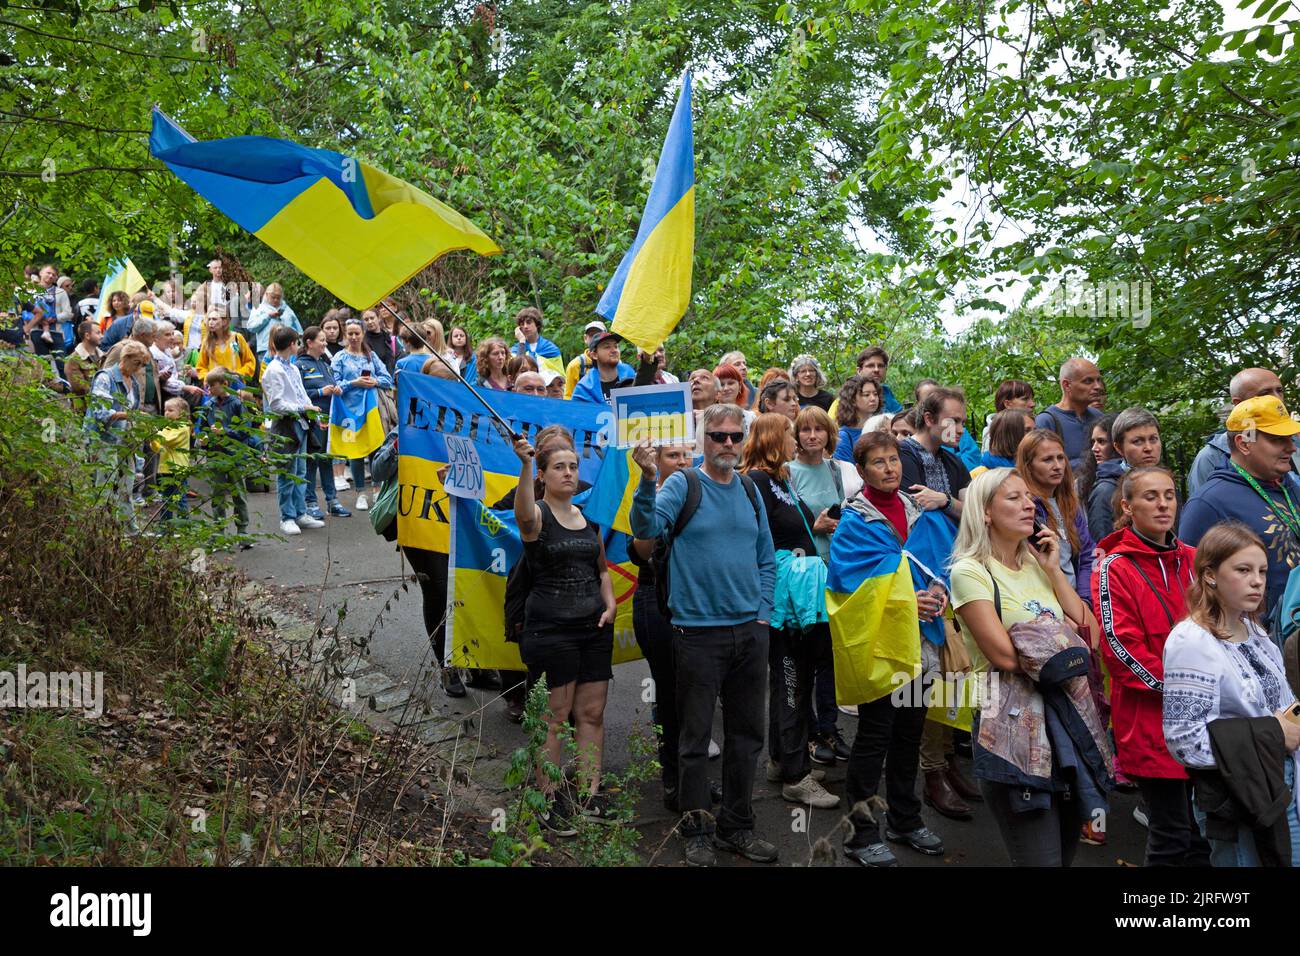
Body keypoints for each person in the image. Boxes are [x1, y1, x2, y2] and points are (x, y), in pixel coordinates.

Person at [630, 404, 779, 867]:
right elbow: (646, 530)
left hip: (749, 635)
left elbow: (767, 559)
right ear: (703, 440)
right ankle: (696, 828)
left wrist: (761, 615)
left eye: (736, 436)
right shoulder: (683, 484)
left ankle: (737, 826)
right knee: (694, 740)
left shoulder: (752, 490)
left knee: (746, 736)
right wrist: (647, 479)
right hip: (696, 634)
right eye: (718, 436)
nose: (728, 444)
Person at [950, 469, 1107, 866]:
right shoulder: (970, 571)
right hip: (1010, 729)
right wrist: (1060, 642)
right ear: (985, 513)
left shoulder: (1038, 565)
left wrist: (1054, 570)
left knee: (1065, 854)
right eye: (1013, 498)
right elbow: (1004, 656)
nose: (1027, 505)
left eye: (1028, 499)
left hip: (1066, 723)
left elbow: (1088, 629)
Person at [834, 430, 949, 866]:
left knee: (909, 732)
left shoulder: (918, 510)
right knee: (875, 734)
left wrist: (938, 588)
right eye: (879, 463)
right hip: (884, 647)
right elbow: (848, 587)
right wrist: (906, 601)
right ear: (861, 471)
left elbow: (942, 560)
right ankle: (860, 833)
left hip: (922, 644)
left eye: (894, 460)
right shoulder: (854, 523)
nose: (890, 469)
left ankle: (904, 818)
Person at [1163, 522, 1300, 866]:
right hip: (1238, 795)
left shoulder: (1254, 630)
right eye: (1243, 570)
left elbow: (1279, 708)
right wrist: (1272, 734)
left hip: (1279, 784)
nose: (1257, 580)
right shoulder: (1192, 640)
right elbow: (1184, 741)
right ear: (1210, 575)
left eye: (1262, 571)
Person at [1092, 466, 1208, 866]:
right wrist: (1188, 688)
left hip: (1204, 721)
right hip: (1150, 723)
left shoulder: (1194, 560)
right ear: (1127, 506)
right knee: (1172, 834)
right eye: (1150, 496)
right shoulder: (1115, 567)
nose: (1163, 504)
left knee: (1204, 835)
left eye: (1170, 495)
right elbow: (1122, 652)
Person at [511, 430, 616, 832]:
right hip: (550, 632)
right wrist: (523, 464)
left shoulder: (587, 521)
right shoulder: (537, 515)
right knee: (554, 719)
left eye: (573, 466)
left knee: (591, 714)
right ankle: (547, 801)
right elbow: (522, 515)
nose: (569, 473)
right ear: (542, 475)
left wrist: (610, 602)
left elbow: (602, 569)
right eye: (559, 467)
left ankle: (588, 795)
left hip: (593, 630)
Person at [740, 413, 840, 809]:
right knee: (791, 681)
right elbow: (757, 540)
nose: (796, 440)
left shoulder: (780, 478)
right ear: (770, 439)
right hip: (782, 601)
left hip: (798, 597)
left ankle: (783, 759)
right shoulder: (756, 482)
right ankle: (796, 777)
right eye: (788, 434)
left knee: (795, 681)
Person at [1180, 395, 1300, 622]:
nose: (1291, 447)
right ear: (1244, 443)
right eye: (1277, 439)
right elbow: (1191, 589)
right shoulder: (1207, 504)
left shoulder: (1289, 487)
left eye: (1290, 437)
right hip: (1257, 644)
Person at [629, 442, 697, 810]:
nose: (683, 461)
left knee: (696, 695)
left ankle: (695, 777)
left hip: (697, 604)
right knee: (670, 694)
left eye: (688, 454)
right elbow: (640, 551)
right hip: (656, 600)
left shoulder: (705, 491)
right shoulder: (647, 498)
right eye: (674, 456)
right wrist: (652, 491)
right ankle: (673, 778)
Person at [1017, 429, 1096, 610]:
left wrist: (1084, 601)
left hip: (1077, 600)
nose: (1057, 466)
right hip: (1046, 605)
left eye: (1060, 458)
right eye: (1047, 459)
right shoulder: (1026, 508)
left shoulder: (1068, 503)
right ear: (1028, 466)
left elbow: (1087, 553)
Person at [1188, 367, 1297, 495]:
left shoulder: (1294, 443)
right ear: (1238, 403)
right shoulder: (1211, 457)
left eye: (1279, 391)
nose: (1277, 399)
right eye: (1264, 394)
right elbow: (1204, 507)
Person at [262, 325, 324, 536]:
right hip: (285, 426)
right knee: (286, 472)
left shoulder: (293, 368)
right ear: (291, 344)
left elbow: (301, 394)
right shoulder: (273, 370)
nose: (298, 346)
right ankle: (286, 517)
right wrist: (302, 408)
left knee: (299, 470)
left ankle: (300, 513)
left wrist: (311, 410)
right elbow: (277, 404)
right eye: (297, 342)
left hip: (301, 423)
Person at [331, 318, 394, 511]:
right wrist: (354, 383)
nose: (353, 337)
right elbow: (335, 383)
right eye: (349, 333)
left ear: (363, 334)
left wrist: (373, 382)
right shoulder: (340, 357)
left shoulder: (371, 356)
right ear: (345, 334)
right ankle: (360, 492)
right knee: (355, 452)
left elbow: (387, 379)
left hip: (371, 410)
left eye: (357, 333)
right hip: (348, 412)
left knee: (375, 448)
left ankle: (376, 489)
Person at [86, 340, 149, 525]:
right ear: (125, 358)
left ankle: (129, 530)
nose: (139, 368)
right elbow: (100, 412)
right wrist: (130, 415)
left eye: (142, 365)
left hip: (125, 441)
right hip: (104, 439)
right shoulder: (105, 378)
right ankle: (100, 529)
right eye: (137, 363)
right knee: (104, 486)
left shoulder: (134, 382)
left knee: (126, 486)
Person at [196, 369, 259, 547]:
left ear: (225, 384)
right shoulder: (208, 405)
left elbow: (245, 431)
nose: (208, 389)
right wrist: (202, 440)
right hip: (214, 455)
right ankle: (218, 534)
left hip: (234, 456)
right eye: (207, 386)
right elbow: (202, 430)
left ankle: (242, 531)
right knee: (217, 496)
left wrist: (226, 432)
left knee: (238, 493)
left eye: (212, 386)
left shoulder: (238, 404)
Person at [1087, 407, 1166, 542]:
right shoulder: (1106, 491)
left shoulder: (1166, 483)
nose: (1148, 448)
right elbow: (1103, 546)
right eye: (1138, 441)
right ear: (1118, 447)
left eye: (1153, 439)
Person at [295, 326, 350, 520]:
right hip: (311, 422)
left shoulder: (326, 364)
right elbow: (296, 396)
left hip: (329, 420)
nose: (325, 344)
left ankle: (332, 502)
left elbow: (333, 385)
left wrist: (336, 390)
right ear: (309, 343)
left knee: (327, 459)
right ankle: (310, 504)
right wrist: (320, 393)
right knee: (311, 461)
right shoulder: (299, 365)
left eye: (325, 340)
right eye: (322, 340)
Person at [898, 387, 970, 523]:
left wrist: (945, 500)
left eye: (963, 423)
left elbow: (975, 513)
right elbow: (915, 511)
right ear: (929, 419)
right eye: (953, 421)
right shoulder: (900, 455)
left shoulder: (954, 462)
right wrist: (955, 506)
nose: (961, 430)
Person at [1036, 357, 1105, 469]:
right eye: (1088, 381)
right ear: (1067, 385)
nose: (1098, 386)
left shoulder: (1099, 417)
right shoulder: (1046, 421)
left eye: (1099, 380)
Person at [152, 397, 192, 526]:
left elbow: (168, 441)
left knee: (179, 498)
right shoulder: (167, 428)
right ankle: (165, 526)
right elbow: (158, 448)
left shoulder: (183, 427)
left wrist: (155, 434)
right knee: (165, 499)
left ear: (182, 413)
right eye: (165, 410)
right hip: (164, 469)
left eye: (171, 410)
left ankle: (182, 526)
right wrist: (153, 439)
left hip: (178, 468)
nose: (167, 413)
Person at [571, 331, 639, 404]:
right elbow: (577, 413)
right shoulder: (584, 389)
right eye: (607, 347)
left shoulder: (630, 374)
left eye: (616, 346)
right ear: (594, 355)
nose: (614, 350)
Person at [195, 310, 255, 388]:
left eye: (214, 319)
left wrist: (239, 374)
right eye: (209, 319)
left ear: (224, 321)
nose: (210, 322)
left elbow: (250, 361)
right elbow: (201, 366)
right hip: (215, 387)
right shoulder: (207, 342)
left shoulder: (236, 338)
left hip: (235, 385)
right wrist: (207, 377)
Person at [832, 374, 883, 463]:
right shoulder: (843, 437)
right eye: (866, 395)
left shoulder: (882, 428)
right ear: (852, 399)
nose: (873, 398)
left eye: (875, 394)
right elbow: (844, 473)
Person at [1076, 413, 1118, 519]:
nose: (1094, 448)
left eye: (1101, 441)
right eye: (1093, 442)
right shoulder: (1083, 482)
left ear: (1117, 444)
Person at [245, 283, 302, 361]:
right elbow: (251, 327)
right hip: (266, 349)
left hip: (287, 349)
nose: (275, 300)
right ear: (267, 295)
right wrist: (268, 316)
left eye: (278, 298)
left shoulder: (287, 310)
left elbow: (299, 331)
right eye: (273, 297)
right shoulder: (258, 308)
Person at [982, 380, 1035, 453]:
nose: (1032, 404)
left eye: (1032, 399)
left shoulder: (1033, 424)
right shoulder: (991, 434)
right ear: (1007, 404)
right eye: (1025, 399)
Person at [65, 320, 103, 415]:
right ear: (87, 336)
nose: (102, 336)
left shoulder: (103, 356)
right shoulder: (73, 360)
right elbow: (79, 387)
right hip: (84, 411)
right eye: (98, 333)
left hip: (102, 408)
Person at [512, 305, 563, 376]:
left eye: (529, 322)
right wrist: (522, 342)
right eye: (522, 324)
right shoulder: (516, 349)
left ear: (537, 325)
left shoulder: (550, 349)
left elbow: (560, 376)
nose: (525, 326)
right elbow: (515, 371)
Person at [563, 320, 607, 399]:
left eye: (598, 334)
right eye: (591, 335)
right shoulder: (575, 365)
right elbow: (568, 396)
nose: (595, 338)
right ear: (585, 338)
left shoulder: (614, 362)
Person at [362, 308, 400, 376]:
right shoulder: (363, 342)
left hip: (394, 380)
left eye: (372, 318)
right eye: (366, 319)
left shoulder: (389, 337)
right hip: (377, 381)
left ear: (379, 318)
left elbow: (398, 360)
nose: (370, 322)